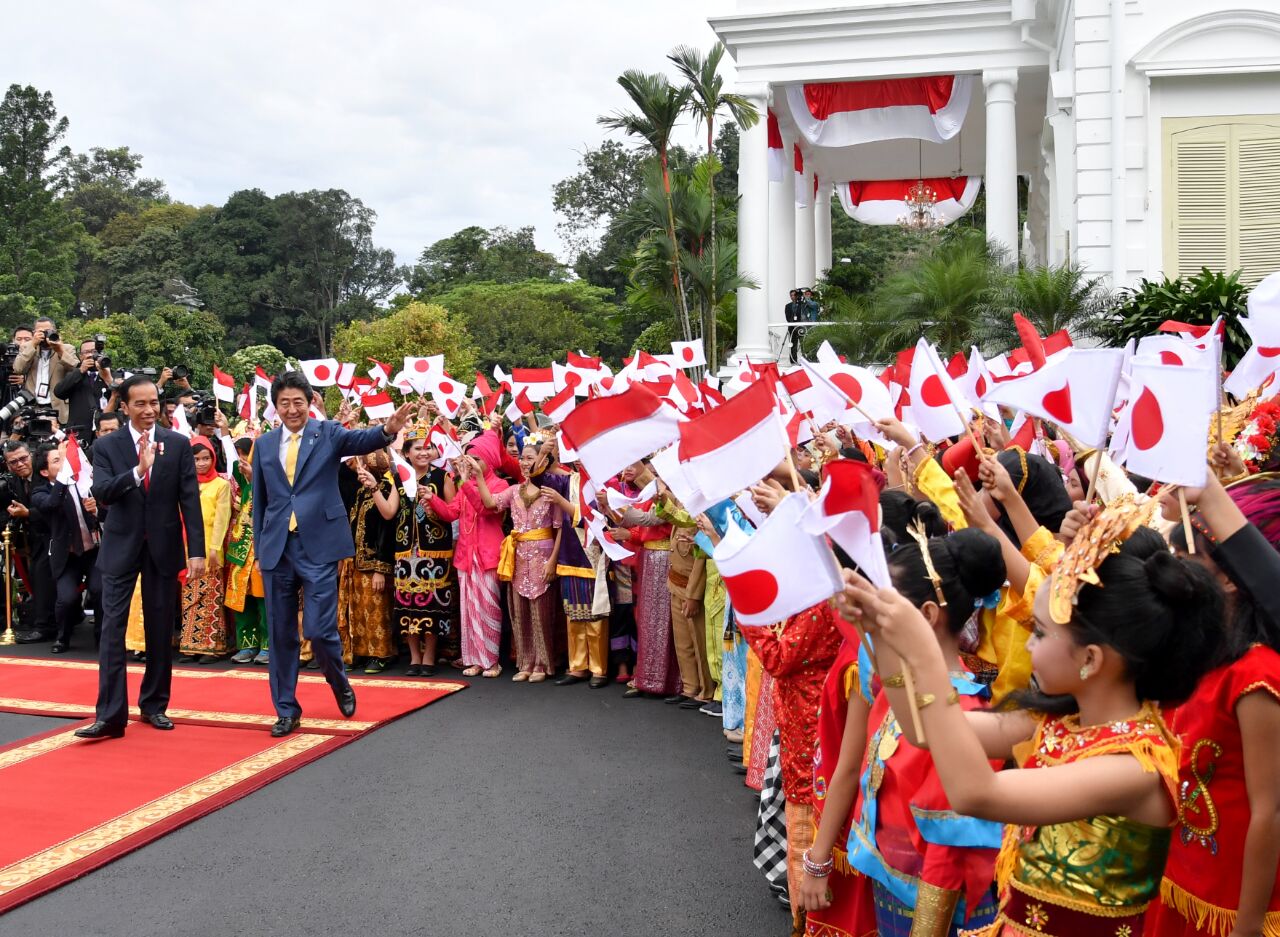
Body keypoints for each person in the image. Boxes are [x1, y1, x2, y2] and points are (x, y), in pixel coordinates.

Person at [838, 499, 1227, 937]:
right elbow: (924, 729)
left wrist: (927, 655)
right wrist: (884, 636)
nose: (1026, 647)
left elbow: (975, 793)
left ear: (1091, 659)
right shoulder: (1065, 723)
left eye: (1040, 633)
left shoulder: (1132, 769)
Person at [804, 528, 1007, 937]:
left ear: (928, 614)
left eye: (888, 600)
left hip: (938, 911)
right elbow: (907, 709)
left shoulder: (962, 712)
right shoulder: (901, 691)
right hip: (892, 888)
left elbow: (951, 854)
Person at [1145, 468, 1280, 937]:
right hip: (1179, 883)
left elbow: (1270, 811)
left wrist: (1246, 929)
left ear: (1229, 578)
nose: (1175, 566)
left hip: (1233, 905)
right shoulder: (1198, 652)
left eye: (1187, 556)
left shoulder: (1257, 674)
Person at [252, 372, 412, 738]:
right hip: (278, 547)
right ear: (275, 407)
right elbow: (261, 502)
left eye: (298, 402)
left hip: (318, 546)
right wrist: (261, 550)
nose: (292, 409)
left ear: (309, 403)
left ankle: (338, 682)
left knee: (319, 631)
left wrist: (387, 429)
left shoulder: (327, 433)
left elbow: (363, 438)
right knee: (280, 634)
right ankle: (286, 709)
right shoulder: (263, 444)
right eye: (284, 403)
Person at [77, 374, 206, 739]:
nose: (149, 410)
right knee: (112, 630)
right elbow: (102, 492)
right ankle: (110, 716)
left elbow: (189, 500)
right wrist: (138, 470)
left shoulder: (178, 444)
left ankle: (154, 705)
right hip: (121, 546)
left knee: (160, 628)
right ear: (125, 406)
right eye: (141, 404)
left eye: (153, 403)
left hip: (163, 548)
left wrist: (195, 550)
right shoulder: (107, 446)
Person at [476, 438, 562, 683]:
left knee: (542, 612)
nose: (523, 463)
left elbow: (559, 529)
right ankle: (525, 662)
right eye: (522, 458)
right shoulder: (514, 491)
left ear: (542, 461)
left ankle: (543, 664)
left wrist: (553, 561)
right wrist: (479, 477)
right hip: (517, 554)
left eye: (529, 458)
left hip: (543, 554)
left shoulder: (550, 491)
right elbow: (491, 503)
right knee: (520, 612)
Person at [427, 430, 510, 679]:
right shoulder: (465, 486)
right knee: (469, 610)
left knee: (488, 608)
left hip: (487, 554)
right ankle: (474, 658)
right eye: (470, 458)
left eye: (478, 459)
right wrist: (432, 498)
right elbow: (451, 513)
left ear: (490, 461)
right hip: (466, 554)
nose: (472, 463)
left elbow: (486, 509)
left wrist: (464, 481)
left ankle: (491, 661)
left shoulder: (501, 485)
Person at [382, 429, 457, 677]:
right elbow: (389, 512)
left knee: (432, 607)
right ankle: (414, 657)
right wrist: (373, 488)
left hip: (434, 552)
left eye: (428, 448)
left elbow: (452, 513)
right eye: (418, 448)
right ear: (406, 453)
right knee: (408, 607)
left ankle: (429, 656)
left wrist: (432, 502)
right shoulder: (399, 478)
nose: (424, 453)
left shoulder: (442, 476)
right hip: (405, 552)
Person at [30, 445, 101, 654]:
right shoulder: (40, 492)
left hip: (93, 550)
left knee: (99, 590)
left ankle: (101, 635)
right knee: (67, 598)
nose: (65, 463)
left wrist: (96, 509)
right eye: (57, 460)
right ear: (45, 471)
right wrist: (63, 477)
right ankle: (63, 637)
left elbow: (106, 512)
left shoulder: (84, 483)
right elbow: (52, 504)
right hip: (66, 556)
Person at [330, 450, 396, 673]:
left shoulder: (385, 490)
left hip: (373, 564)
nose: (359, 468)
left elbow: (387, 531)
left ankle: (380, 654)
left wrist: (381, 568)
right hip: (353, 562)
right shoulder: (359, 493)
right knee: (355, 610)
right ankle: (357, 652)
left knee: (376, 610)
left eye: (363, 465)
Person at [177, 435, 232, 663]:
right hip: (186, 548)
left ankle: (212, 646)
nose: (201, 463)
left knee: (210, 597)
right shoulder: (183, 483)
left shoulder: (221, 484)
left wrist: (214, 548)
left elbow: (221, 519)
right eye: (196, 459)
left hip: (210, 548)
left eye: (205, 458)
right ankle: (190, 645)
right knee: (189, 598)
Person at [2, 440, 55, 643]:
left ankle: (45, 627)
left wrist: (27, 513)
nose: (20, 464)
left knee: (41, 576)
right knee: (35, 577)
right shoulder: (13, 481)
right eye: (13, 462)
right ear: (8, 465)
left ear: (31, 456)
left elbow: (54, 507)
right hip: (33, 538)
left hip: (55, 534)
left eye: (23, 458)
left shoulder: (45, 474)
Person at [225, 437, 268, 665]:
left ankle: (268, 646)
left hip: (263, 552)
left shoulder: (272, 481)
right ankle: (247, 645)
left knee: (265, 601)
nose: (244, 462)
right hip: (241, 551)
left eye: (249, 457)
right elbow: (235, 465)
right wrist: (224, 432)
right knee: (242, 601)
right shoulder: (244, 482)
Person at [13, 316, 78, 426]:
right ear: (34, 333)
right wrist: (33, 344)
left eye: (48, 331)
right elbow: (18, 369)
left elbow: (75, 369)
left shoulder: (67, 348)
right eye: (40, 332)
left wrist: (59, 350)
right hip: (33, 405)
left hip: (57, 406)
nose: (44, 335)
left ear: (55, 331)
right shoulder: (27, 347)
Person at [54, 338, 113, 436]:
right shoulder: (75, 375)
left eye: (94, 351)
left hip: (105, 430)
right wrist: (80, 371)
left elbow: (121, 397)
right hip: (79, 431)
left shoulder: (110, 374)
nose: (90, 355)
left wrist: (108, 378)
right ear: (80, 356)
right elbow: (58, 392)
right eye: (86, 352)